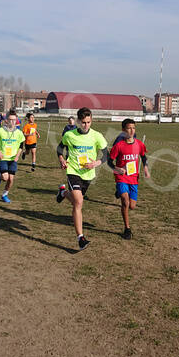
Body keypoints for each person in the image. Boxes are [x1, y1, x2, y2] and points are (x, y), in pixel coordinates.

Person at [55, 107, 109, 250]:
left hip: (88, 174)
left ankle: (63, 193)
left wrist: (95, 163)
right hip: (73, 171)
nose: (86, 125)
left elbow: (106, 155)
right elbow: (60, 149)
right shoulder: (69, 135)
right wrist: (62, 159)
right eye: (83, 122)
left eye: (89, 122)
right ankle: (80, 238)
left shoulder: (97, 136)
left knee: (77, 202)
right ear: (78, 121)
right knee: (78, 202)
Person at [108, 118, 150, 240]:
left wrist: (146, 168)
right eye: (128, 128)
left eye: (133, 128)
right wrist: (117, 169)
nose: (131, 131)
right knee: (125, 202)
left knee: (132, 206)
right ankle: (127, 229)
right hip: (121, 177)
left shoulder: (139, 144)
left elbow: (144, 157)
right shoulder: (119, 146)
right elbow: (110, 162)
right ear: (123, 130)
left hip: (133, 178)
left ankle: (119, 192)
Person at [0, 110, 25, 203]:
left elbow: (21, 145)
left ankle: (4, 195)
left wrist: (17, 156)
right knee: (5, 178)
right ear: (6, 120)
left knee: (11, 179)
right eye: (10, 120)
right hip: (3, 158)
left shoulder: (19, 133)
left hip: (13, 158)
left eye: (14, 120)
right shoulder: (0, 131)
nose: (12, 122)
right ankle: (0, 175)